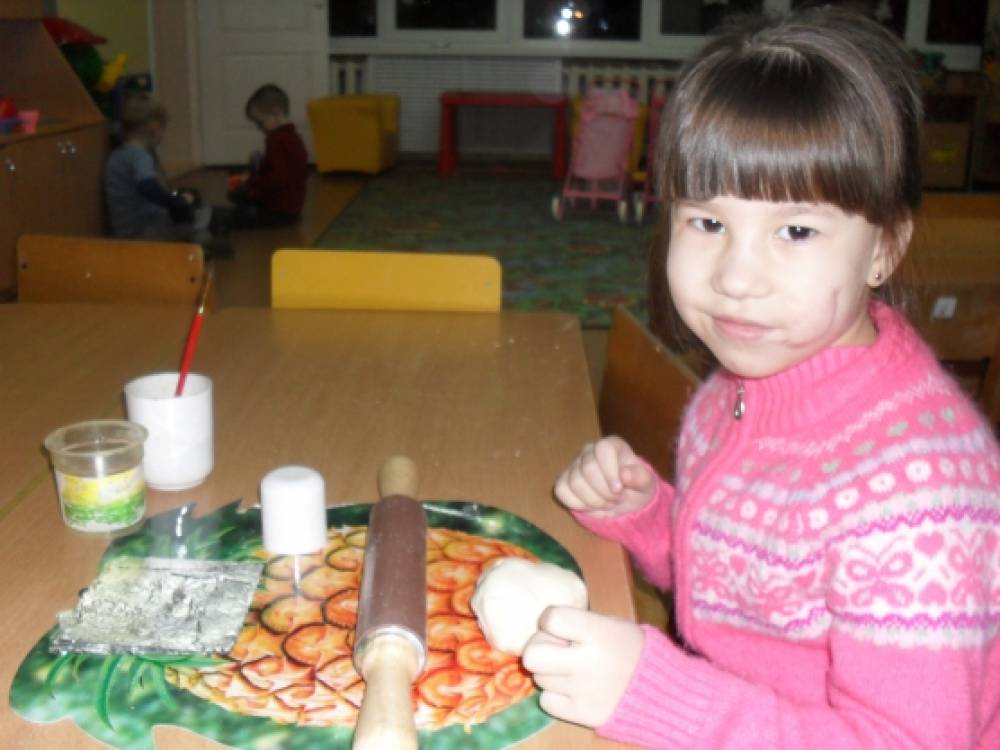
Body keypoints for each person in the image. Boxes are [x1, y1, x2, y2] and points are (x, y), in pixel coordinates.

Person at [521, 7, 1000, 750]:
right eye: (707, 223)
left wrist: (658, 697)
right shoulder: (734, 392)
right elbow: (743, 595)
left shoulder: (915, 498)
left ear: (883, 249)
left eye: (796, 231)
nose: (736, 278)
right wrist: (648, 516)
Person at [104, 92, 208, 241]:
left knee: (186, 198)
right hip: (144, 233)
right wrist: (177, 201)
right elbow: (148, 187)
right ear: (155, 128)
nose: (163, 136)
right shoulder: (140, 156)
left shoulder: (117, 155)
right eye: (163, 130)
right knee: (198, 219)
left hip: (124, 232)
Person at [227, 84, 308, 227]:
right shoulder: (294, 137)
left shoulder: (276, 140)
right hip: (293, 207)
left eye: (260, 123)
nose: (259, 128)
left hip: (278, 210)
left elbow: (276, 179)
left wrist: (250, 181)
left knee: (233, 209)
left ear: (276, 114)